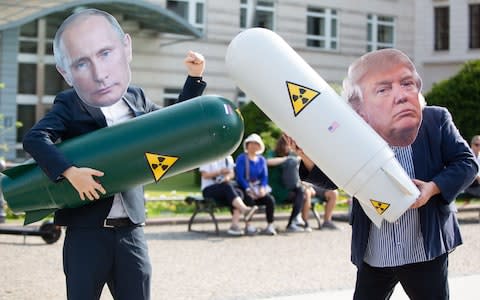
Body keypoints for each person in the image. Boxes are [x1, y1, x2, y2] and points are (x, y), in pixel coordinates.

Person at [22, 9, 206, 300]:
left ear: (126, 48)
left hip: (131, 232)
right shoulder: (70, 103)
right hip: (86, 233)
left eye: (105, 53)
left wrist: (194, 79)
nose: (100, 72)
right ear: (67, 72)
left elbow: (174, 125)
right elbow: (35, 138)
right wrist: (70, 172)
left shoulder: (138, 98)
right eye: (82, 63)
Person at [288, 48, 478, 300]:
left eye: (405, 83)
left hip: (423, 249)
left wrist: (432, 188)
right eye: (382, 89)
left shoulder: (435, 119)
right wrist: (305, 154)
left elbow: (467, 164)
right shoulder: (355, 128)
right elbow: (335, 178)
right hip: (376, 252)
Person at [199, 156, 258, 236]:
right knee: (227, 187)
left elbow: (232, 173)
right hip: (209, 190)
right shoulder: (208, 155)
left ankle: (237, 225)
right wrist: (220, 172)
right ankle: (244, 211)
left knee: (240, 192)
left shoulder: (228, 157)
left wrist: (227, 177)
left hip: (225, 188)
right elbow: (205, 175)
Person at [235, 133, 277, 235]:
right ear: (247, 145)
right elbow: (239, 177)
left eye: (256, 144)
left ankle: (270, 225)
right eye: (251, 143)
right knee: (249, 200)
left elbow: (264, 176)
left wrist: (262, 188)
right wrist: (248, 189)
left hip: (258, 189)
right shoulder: (241, 158)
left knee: (270, 200)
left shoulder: (262, 160)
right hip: (246, 189)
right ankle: (248, 226)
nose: (253, 146)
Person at [266, 135, 306, 232]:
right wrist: (286, 159)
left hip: (287, 188)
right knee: (299, 194)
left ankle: (293, 221)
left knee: (301, 191)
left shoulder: (291, 155)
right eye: (287, 145)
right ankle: (294, 221)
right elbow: (268, 162)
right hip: (275, 188)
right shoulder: (272, 153)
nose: (288, 148)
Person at [459, 135, 480, 207]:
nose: (478, 147)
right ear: (472, 145)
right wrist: (477, 177)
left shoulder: (479, 157)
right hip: (468, 184)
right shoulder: (466, 155)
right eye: (477, 145)